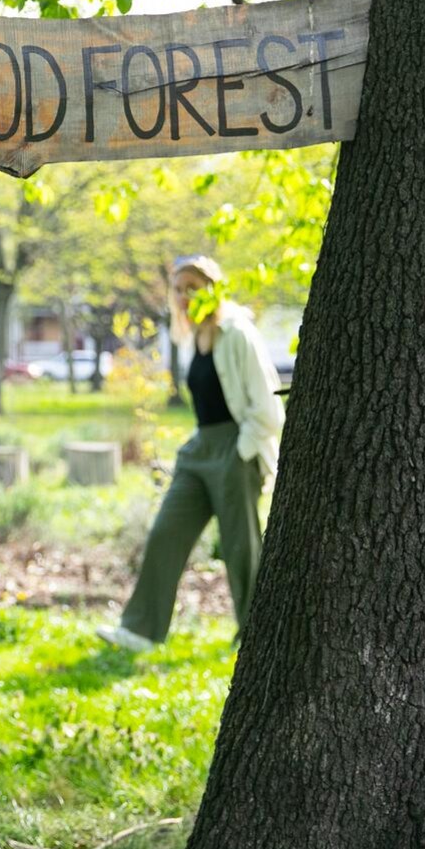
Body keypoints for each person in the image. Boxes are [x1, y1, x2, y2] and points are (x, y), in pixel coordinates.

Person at [99, 255, 283, 651]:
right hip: (200, 450)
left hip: (236, 449)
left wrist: (241, 451)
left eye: (192, 288)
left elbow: (268, 409)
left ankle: (254, 639)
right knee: (166, 532)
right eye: (178, 289)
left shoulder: (237, 333)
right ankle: (140, 631)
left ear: (212, 289)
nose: (184, 297)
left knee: (241, 548)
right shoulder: (189, 337)